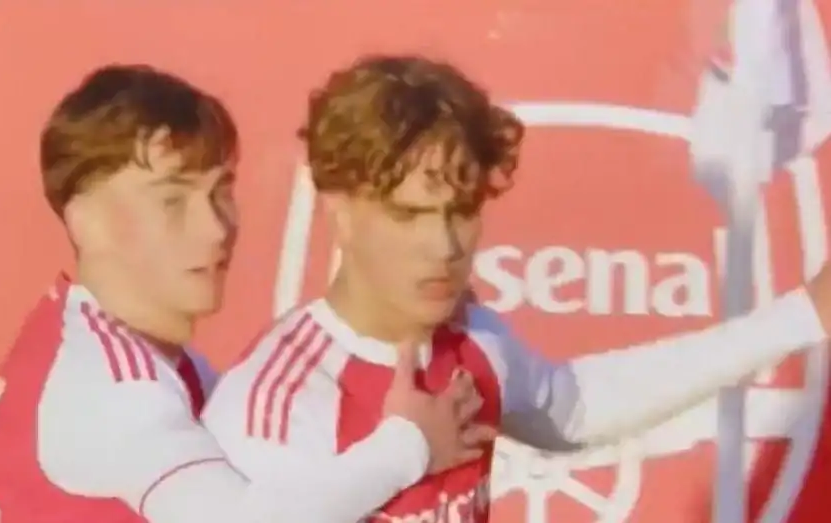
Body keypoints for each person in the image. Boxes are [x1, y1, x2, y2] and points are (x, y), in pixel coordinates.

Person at [202, 54, 831, 522]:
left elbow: (573, 409)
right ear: (339, 211)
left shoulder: (469, 338)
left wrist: (804, 315)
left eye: (461, 211)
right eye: (409, 215)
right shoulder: (275, 408)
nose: (444, 245)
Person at [0, 63, 488, 523]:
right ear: (88, 223)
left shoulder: (119, 345)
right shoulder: (111, 389)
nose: (215, 227)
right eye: (172, 200)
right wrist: (409, 445)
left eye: (221, 189)